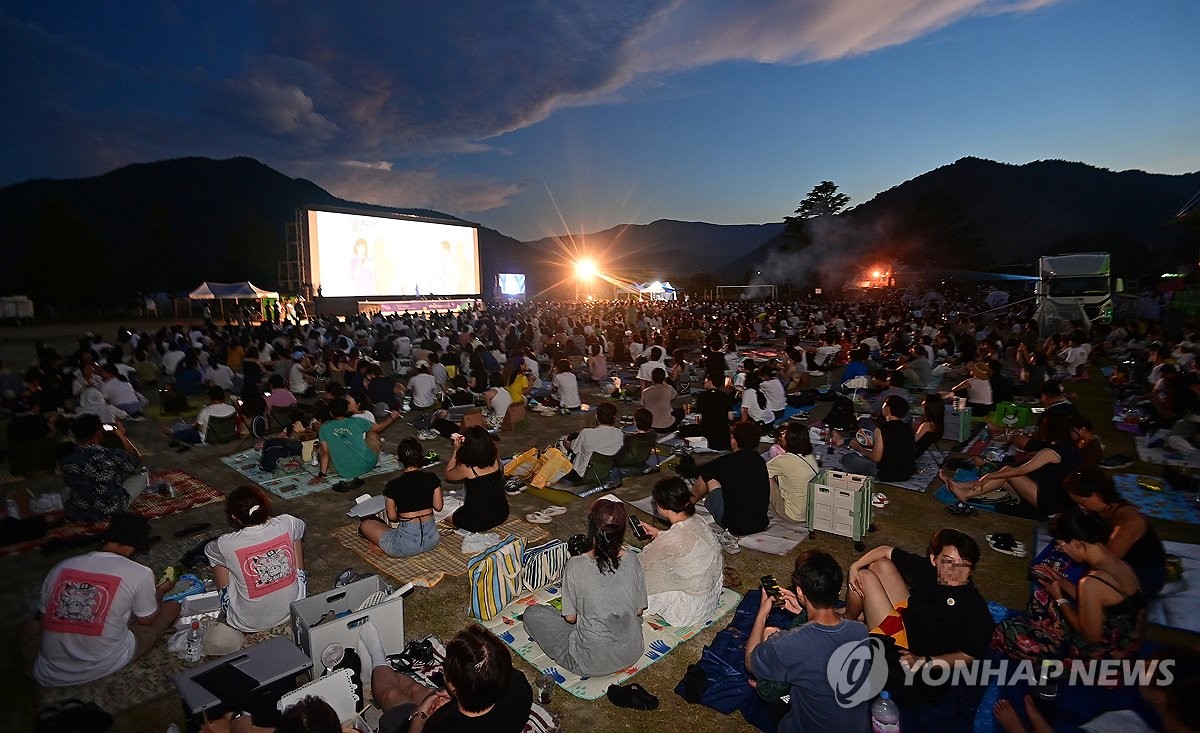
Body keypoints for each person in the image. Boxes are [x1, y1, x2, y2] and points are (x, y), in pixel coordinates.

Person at [27, 512, 181, 686]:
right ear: (134, 546)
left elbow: (41, 620)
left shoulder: (62, 567)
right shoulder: (140, 572)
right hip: (105, 662)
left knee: (29, 625)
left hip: (49, 670)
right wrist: (160, 590)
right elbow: (147, 620)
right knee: (172, 607)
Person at [993, 507, 1144, 662]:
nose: (1061, 551)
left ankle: (1051, 670)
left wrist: (1059, 597)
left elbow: (1091, 637)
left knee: (1007, 630)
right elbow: (1099, 601)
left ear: (1078, 544)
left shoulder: (1092, 582)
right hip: (1124, 639)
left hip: (1102, 654)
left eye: (1061, 546)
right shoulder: (1122, 565)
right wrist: (1060, 580)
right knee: (1041, 598)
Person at [746, 550, 871, 733]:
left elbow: (750, 661)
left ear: (800, 591)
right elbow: (824, 642)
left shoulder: (790, 644)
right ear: (837, 591)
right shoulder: (860, 631)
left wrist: (763, 613)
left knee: (777, 691)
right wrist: (803, 611)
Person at [523, 499, 648, 676]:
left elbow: (570, 618)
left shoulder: (575, 565)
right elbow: (639, 610)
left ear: (591, 528)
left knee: (533, 614)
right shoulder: (633, 559)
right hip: (632, 651)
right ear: (622, 531)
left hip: (590, 661)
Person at [845, 529, 994, 670]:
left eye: (963, 564)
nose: (954, 570)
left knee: (864, 577)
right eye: (948, 561)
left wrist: (923, 662)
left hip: (905, 646)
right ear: (934, 559)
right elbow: (886, 551)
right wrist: (854, 566)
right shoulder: (930, 571)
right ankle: (853, 616)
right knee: (880, 565)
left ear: (971, 569)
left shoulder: (975, 607)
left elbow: (968, 655)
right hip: (909, 618)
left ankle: (847, 623)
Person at [346, 623, 532, 733]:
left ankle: (377, 663)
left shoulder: (439, 729)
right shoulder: (520, 687)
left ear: (456, 688)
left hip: (428, 720)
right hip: (467, 706)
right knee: (417, 690)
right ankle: (377, 669)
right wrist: (453, 698)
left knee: (390, 695)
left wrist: (421, 715)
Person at [205, 485, 307, 632]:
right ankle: (295, 582)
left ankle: (228, 602)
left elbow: (209, 549)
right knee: (295, 536)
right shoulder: (287, 522)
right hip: (293, 607)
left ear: (234, 517)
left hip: (246, 622)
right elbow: (301, 528)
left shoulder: (226, 543)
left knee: (219, 560)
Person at [941, 411, 1080, 515]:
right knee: (1004, 478)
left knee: (1007, 472)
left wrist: (990, 475)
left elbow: (1019, 471)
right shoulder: (1070, 447)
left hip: (1049, 502)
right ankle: (959, 486)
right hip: (1058, 499)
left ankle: (966, 494)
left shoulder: (1051, 452)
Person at [1066, 469, 1167, 599]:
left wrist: (1080, 556)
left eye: (1082, 502)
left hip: (1145, 573)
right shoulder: (1100, 509)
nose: (1080, 507)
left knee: (1088, 587)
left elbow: (1106, 561)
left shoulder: (1129, 521)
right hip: (1120, 563)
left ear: (1096, 496)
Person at [635, 477, 723, 626]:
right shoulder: (698, 520)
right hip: (709, 601)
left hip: (687, 612)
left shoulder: (673, 539)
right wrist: (660, 534)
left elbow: (640, 562)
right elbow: (685, 543)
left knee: (647, 572)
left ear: (661, 506)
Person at [359, 438, 444, 557]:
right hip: (432, 540)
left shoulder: (393, 485)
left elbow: (392, 517)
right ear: (421, 457)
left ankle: (385, 546)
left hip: (405, 546)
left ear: (399, 460)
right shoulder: (432, 478)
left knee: (365, 525)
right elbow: (438, 507)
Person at [60, 414, 149, 522]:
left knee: (67, 490)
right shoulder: (109, 455)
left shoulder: (67, 459)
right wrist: (121, 435)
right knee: (142, 476)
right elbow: (136, 459)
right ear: (98, 432)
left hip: (79, 512)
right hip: (111, 509)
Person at [692, 420, 770, 537]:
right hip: (760, 523)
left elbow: (705, 475)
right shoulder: (760, 461)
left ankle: (684, 507)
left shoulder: (724, 463)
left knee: (711, 480)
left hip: (733, 526)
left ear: (733, 439)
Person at [835, 395, 916, 482]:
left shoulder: (882, 429)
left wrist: (858, 447)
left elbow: (876, 458)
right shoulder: (908, 427)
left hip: (888, 474)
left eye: (884, 404)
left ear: (887, 409)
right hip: (908, 472)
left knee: (848, 459)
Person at [443, 426, 508, 532]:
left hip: (477, 522)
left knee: (437, 507)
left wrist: (456, 451)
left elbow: (448, 474)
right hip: (501, 513)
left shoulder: (467, 468)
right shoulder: (494, 457)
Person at [309, 398, 378, 491]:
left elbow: (325, 453)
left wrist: (322, 475)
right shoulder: (357, 421)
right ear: (346, 410)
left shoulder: (324, 428)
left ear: (330, 412)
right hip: (367, 465)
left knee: (324, 450)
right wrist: (392, 417)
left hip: (344, 471)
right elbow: (377, 428)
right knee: (373, 433)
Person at [766, 422, 819, 523]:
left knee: (766, 478)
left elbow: (760, 473)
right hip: (809, 513)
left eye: (784, 436)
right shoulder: (810, 456)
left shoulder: (783, 460)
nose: (780, 438)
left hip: (793, 514)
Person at [562, 401, 624, 480]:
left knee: (570, 443)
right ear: (614, 417)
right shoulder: (619, 434)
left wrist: (565, 442)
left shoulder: (586, 433)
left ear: (596, 416)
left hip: (582, 475)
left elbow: (573, 448)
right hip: (606, 471)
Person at [678, 372, 734, 451]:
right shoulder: (725, 396)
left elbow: (699, 417)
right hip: (722, 432)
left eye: (706, 380)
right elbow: (730, 417)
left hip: (707, 431)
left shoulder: (702, 396)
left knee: (683, 429)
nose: (704, 382)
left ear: (710, 382)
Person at [166, 385, 237, 445]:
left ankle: (172, 432)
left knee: (187, 431)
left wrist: (193, 426)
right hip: (227, 436)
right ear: (223, 396)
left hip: (209, 439)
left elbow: (199, 428)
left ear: (210, 398)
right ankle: (174, 430)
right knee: (186, 428)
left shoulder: (205, 411)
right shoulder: (232, 409)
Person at [639, 367, 680, 433]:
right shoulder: (668, 388)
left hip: (651, 425)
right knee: (680, 412)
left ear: (652, 378)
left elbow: (643, 406)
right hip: (668, 426)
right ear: (664, 378)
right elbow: (674, 396)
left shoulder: (645, 392)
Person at [913, 392, 946, 457]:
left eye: (924, 401)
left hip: (914, 451)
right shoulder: (938, 420)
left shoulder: (927, 425)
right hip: (922, 447)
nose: (922, 403)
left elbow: (913, 440)